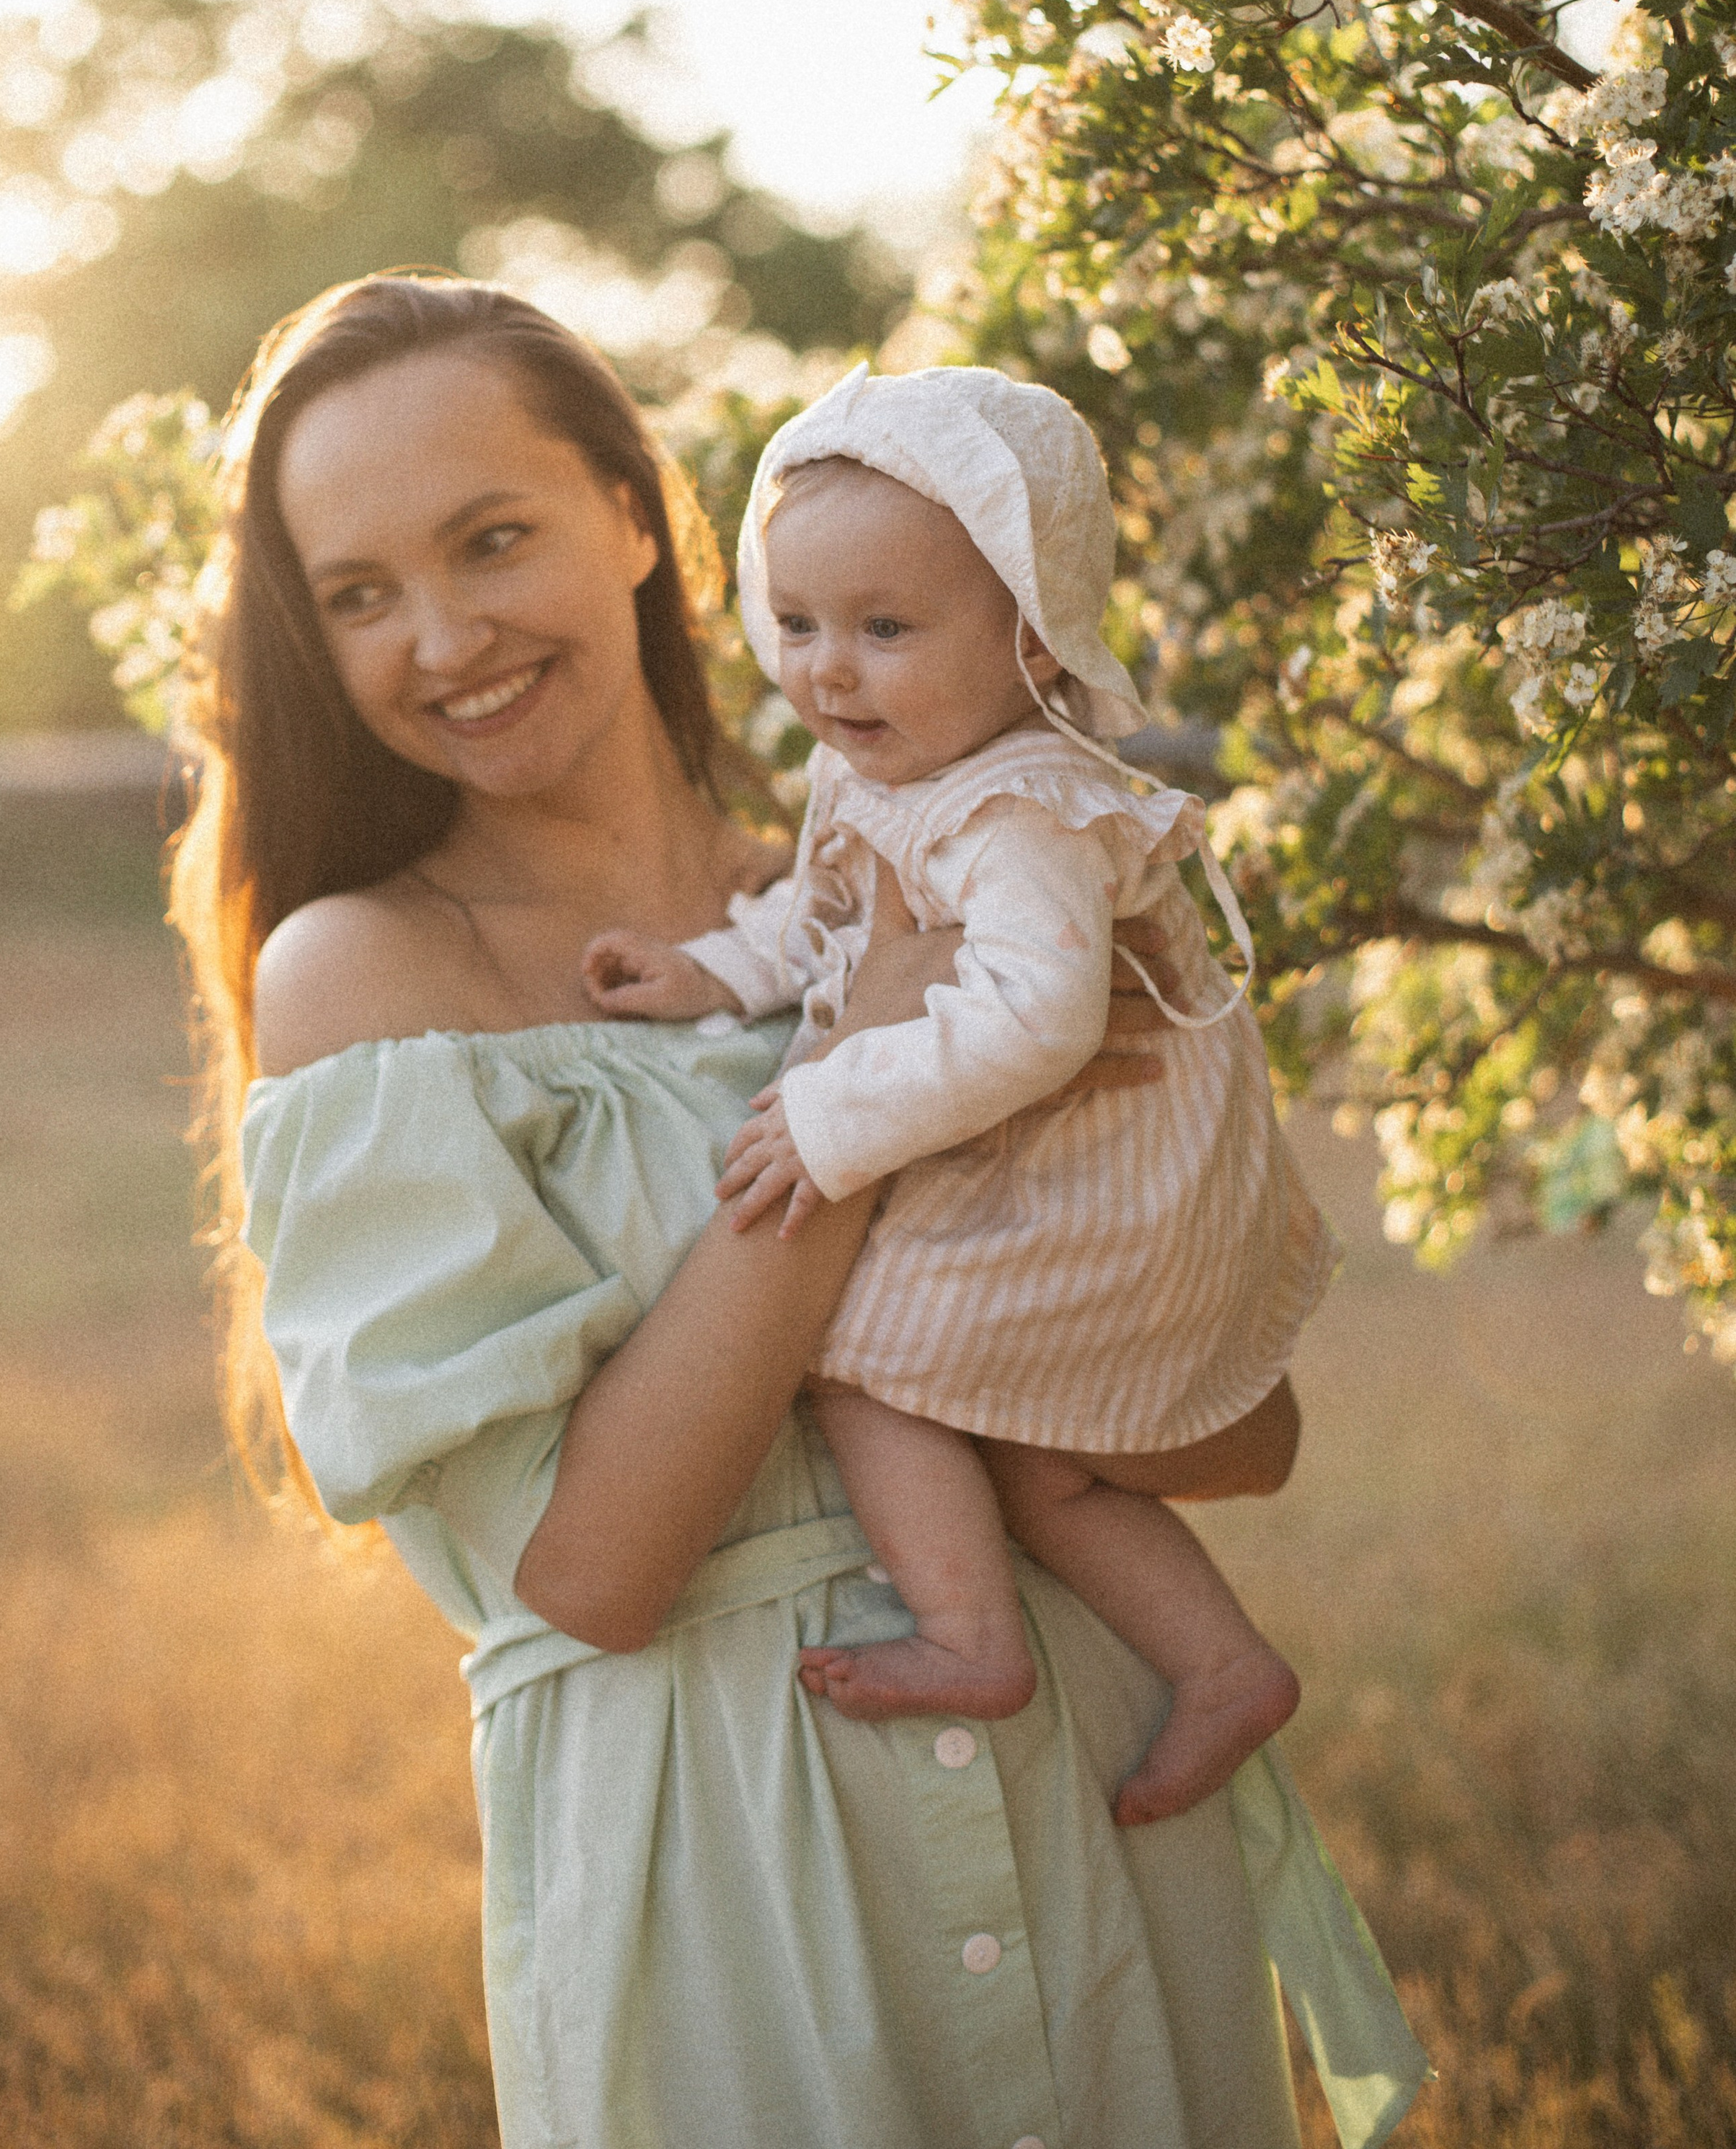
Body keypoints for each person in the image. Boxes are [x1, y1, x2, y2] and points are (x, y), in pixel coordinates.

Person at [174, 272, 1426, 2149]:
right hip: (742, 1864)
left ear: (633, 515)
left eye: (492, 538)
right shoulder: (372, 975)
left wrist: (1059, 1162)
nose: (441, 637)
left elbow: (1243, 1430)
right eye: (357, 595)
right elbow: (589, 1574)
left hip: (1088, 1794)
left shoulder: (943, 868)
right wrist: (858, 1058)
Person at [579, 365, 1337, 1826]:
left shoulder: (1019, 808)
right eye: (795, 624)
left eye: (883, 628)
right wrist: (714, 973)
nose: (826, 672)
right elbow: (833, 921)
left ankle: (972, 1637)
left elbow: (1038, 1022)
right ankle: (1222, 1664)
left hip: (1105, 1185)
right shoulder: (887, 770)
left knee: (865, 1357)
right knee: (1035, 1452)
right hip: (1050, 1173)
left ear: (1030, 638)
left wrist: (828, 1114)